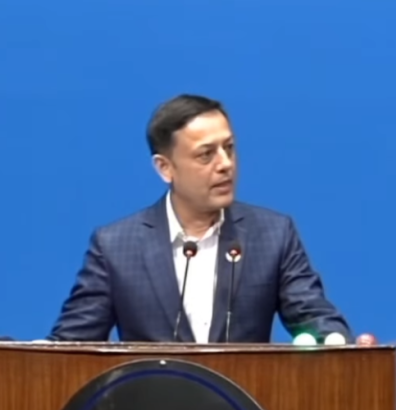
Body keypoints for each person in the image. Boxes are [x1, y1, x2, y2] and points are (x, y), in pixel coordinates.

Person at [47, 94, 352, 344]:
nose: (225, 164)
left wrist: (338, 342)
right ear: (165, 168)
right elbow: (71, 345)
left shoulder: (272, 234)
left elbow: (314, 316)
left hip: (242, 401)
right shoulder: (115, 246)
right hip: (153, 401)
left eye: (229, 148)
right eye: (206, 155)